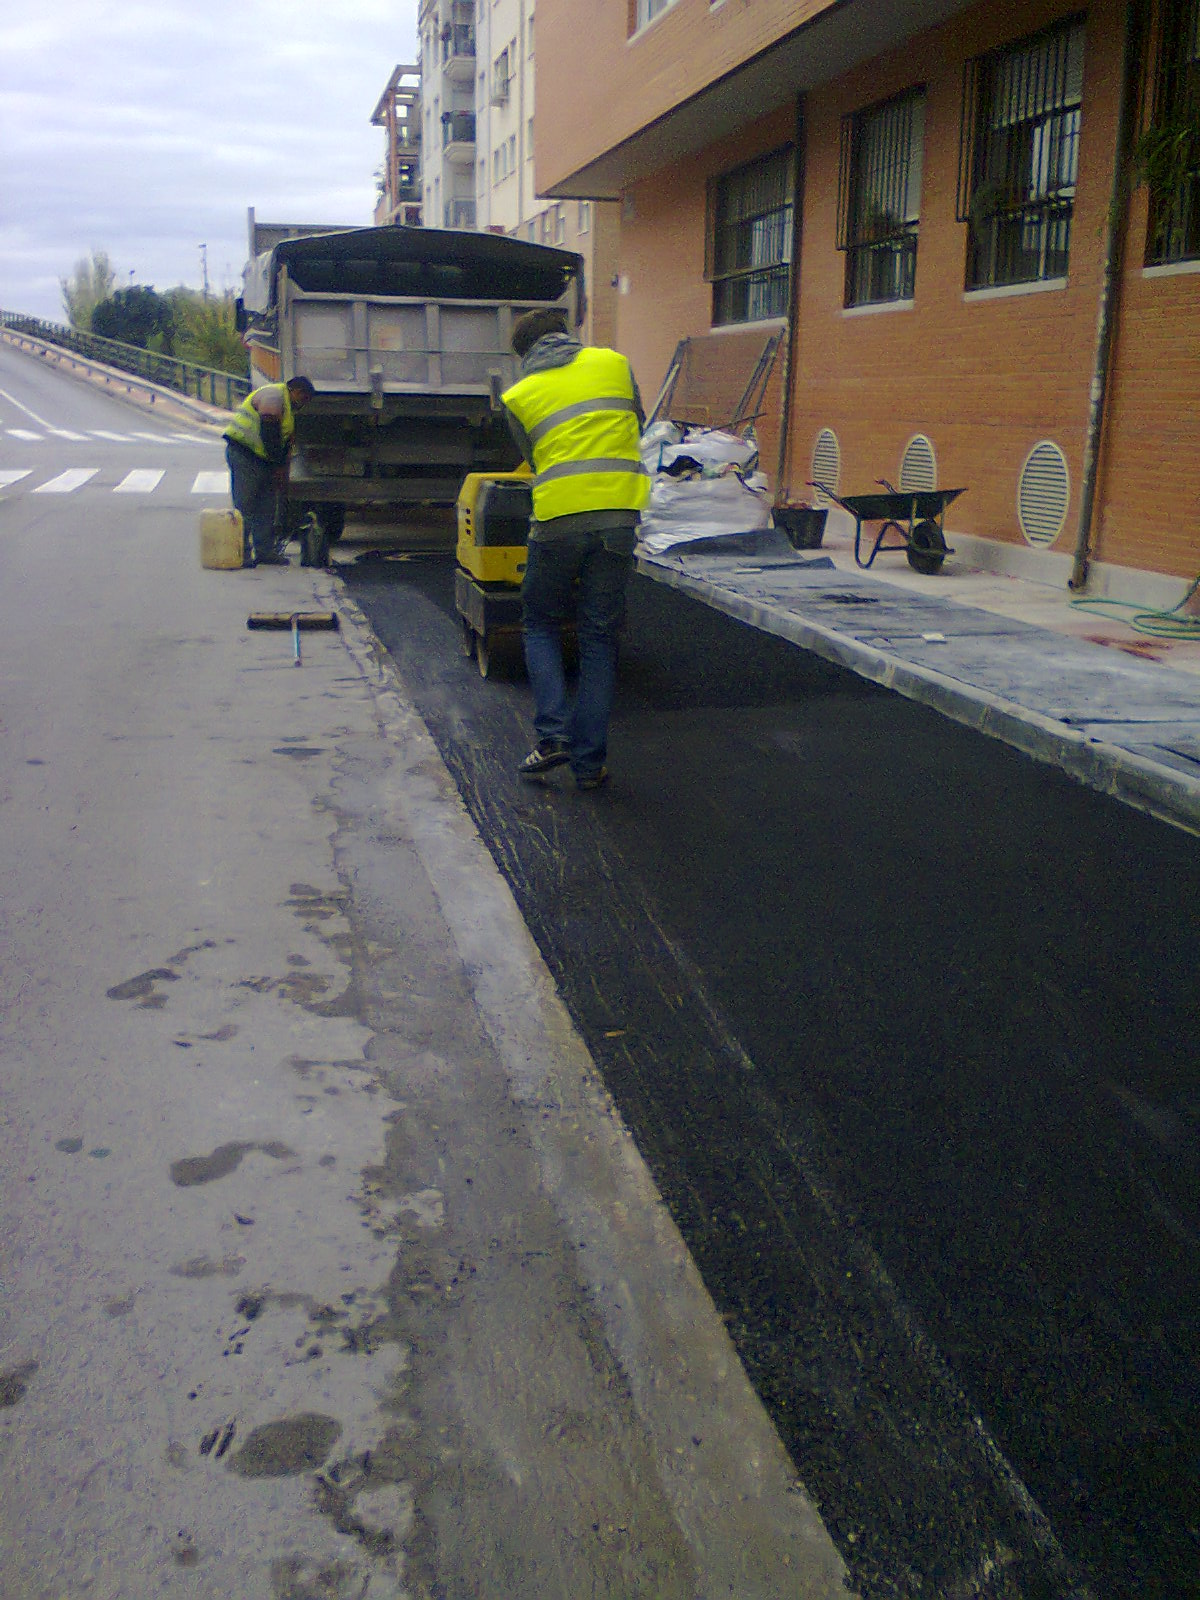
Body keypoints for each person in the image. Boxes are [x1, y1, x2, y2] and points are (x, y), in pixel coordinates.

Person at [501, 309, 650, 791]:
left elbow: (534, 457)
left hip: (558, 518)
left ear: (524, 353)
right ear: (567, 334)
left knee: (541, 622)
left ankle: (551, 739)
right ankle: (590, 766)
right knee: (598, 637)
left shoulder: (518, 395)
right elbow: (637, 424)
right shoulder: (615, 364)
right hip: (619, 514)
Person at [222, 376, 315, 567]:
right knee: (246, 505)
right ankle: (241, 554)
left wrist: (280, 465)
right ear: (296, 391)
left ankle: (265, 552)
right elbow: (270, 433)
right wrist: (277, 464)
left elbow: (282, 440)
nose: (303, 404)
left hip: (262, 458)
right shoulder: (273, 397)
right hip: (245, 454)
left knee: (267, 505)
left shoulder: (286, 403)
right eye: (304, 399)